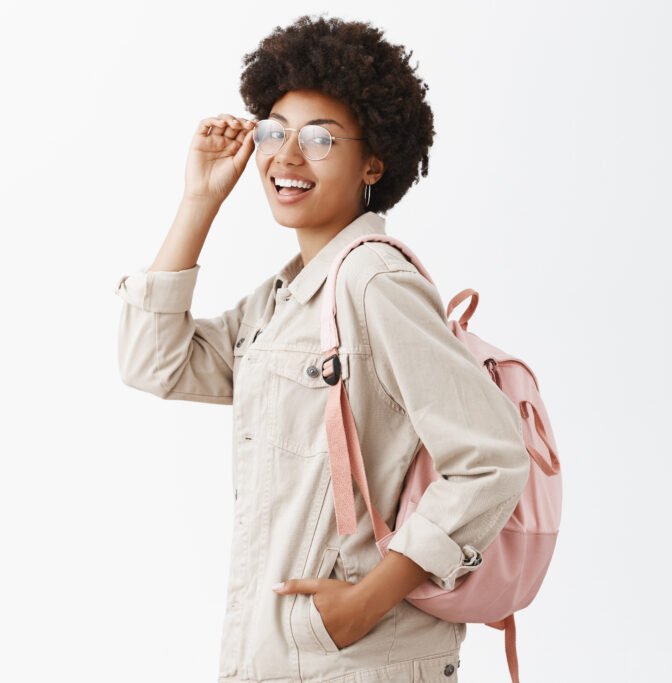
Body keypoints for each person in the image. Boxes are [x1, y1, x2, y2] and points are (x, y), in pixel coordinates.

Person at [113, 15, 529, 683]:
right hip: (283, 657)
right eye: (275, 131)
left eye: (320, 139)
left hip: (359, 658)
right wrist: (198, 201)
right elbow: (154, 361)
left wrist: (368, 601)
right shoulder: (287, 297)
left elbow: (492, 457)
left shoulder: (374, 282)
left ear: (373, 161)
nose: (286, 157)